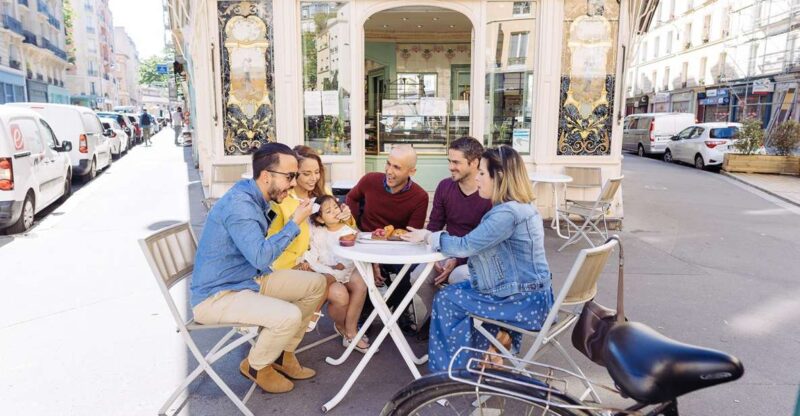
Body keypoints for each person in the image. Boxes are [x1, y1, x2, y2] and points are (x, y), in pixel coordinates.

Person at [401, 145, 554, 372]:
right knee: (463, 288)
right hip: (532, 296)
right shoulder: (520, 207)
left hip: (522, 302)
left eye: (482, 173)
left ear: (499, 177)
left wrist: (427, 236)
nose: (478, 179)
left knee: (447, 299)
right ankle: (485, 352)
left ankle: (449, 372)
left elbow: (466, 245)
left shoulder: (506, 214)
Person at [191, 143, 327, 394]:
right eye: (290, 176)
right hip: (218, 295)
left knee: (316, 284)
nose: (293, 182)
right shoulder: (240, 206)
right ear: (266, 177)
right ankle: (256, 365)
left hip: (246, 280)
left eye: (295, 176)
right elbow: (260, 257)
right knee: (288, 315)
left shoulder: (254, 194)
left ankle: (282, 355)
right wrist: (294, 222)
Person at [266, 145, 355, 331]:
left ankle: (343, 328)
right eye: (306, 173)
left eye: (316, 172)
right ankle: (296, 329)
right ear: (293, 174)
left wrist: (347, 217)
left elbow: (342, 229)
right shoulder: (282, 200)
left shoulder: (323, 195)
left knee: (343, 294)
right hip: (291, 266)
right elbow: (271, 241)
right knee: (339, 293)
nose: (313, 178)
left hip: (321, 262)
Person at [408, 137, 492, 329]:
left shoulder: (488, 193)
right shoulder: (445, 187)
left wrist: (458, 259)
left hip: (478, 257)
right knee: (418, 276)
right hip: (446, 250)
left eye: (456, 162)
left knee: (458, 277)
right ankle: (440, 319)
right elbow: (435, 225)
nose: (450, 167)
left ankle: (457, 326)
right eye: (449, 161)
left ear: (475, 162)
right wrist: (434, 256)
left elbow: (485, 242)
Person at [345, 144, 429, 316]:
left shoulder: (420, 197)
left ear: (411, 171)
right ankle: (369, 313)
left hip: (397, 246)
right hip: (365, 241)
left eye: (397, 167)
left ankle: (386, 313)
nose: (389, 171)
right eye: (388, 163)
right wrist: (356, 227)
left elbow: (411, 235)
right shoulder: (370, 180)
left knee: (405, 272)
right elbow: (351, 198)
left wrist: (381, 258)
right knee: (365, 270)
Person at [304, 195, 369, 352]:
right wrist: (308, 262)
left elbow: (347, 261)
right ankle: (342, 327)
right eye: (328, 211)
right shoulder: (319, 232)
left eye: (335, 207)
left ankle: (351, 330)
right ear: (320, 219)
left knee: (361, 284)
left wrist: (333, 269)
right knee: (337, 290)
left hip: (342, 271)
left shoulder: (347, 231)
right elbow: (313, 253)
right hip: (324, 270)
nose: (334, 211)